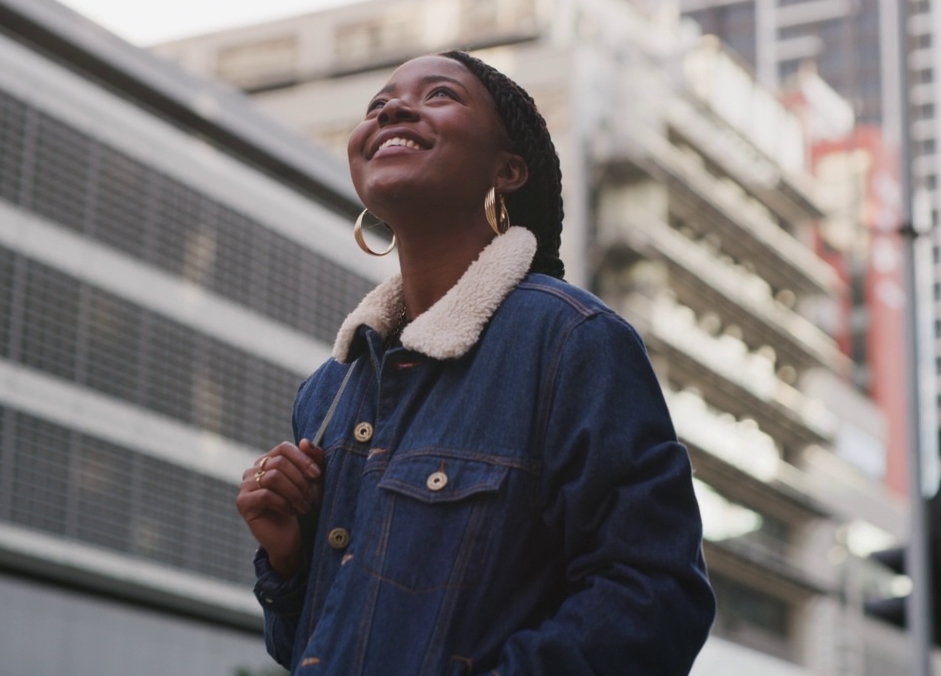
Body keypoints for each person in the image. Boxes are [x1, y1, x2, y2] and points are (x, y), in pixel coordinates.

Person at [236, 50, 715, 675]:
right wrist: (289, 562)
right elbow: (311, 646)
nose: (394, 110)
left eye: (440, 95)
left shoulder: (572, 340)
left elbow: (655, 600)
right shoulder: (330, 390)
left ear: (509, 169)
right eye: (377, 105)